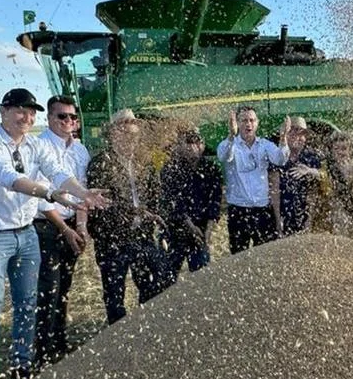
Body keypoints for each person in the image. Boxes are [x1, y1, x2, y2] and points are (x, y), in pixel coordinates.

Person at [0, 88, 109, 379]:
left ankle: (23, 365)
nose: (27, 117)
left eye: (31, 112)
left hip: (26, 233)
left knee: (28, 302)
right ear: (3, 111)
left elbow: (57, 172)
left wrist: (83, 194)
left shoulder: (34, 146)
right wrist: (51, 194)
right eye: (20, 110)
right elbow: (9, 177)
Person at [86, 109, 173, 324]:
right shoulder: (100, 164)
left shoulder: (146, 162)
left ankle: (146, 329)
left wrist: (156, 215)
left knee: (152, 286)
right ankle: (118, 341)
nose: (131, 140)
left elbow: (156, 196)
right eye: (125, 134)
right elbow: (103, 204)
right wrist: (136, 212)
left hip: (141, 235)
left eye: (134, 135)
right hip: (112, 240)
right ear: (114, 134)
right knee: (115, 296)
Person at [32, 95, 91, 368]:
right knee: (48, 288)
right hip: (47, 226)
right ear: (49, 118)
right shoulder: (39, 147)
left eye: (72, 117)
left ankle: (59, 341)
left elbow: (83, 191)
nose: (68, 121)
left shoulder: (80, 151)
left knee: (65, 287)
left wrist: (80, 226)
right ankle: (43, 351)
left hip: (70, 225)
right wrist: (66, 229)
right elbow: (42, 199)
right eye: (62, 116)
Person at [217, 107, 290, 254]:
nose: (248, 124)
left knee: (264, 256)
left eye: (252, 120)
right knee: (239, 257)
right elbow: (223, 156)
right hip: (239, 210)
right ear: (236, 123)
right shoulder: (230, 144)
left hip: (262, 209)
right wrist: (231, 135)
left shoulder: (264, 144)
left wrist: (283, 139)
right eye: (244, 120)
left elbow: (280, 159)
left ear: (257, 123)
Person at [159, 127, 223, 276]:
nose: (193, 147)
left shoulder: (211, 169)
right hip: (174, 232)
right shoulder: (170, 169)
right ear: (179, 145)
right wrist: (190, 226)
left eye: (198, 142)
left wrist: (208, 228)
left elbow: (215, 201)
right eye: (188, 142)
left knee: (201, 279)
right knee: (166, 279)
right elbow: (173, 202)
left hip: (201, 232)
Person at [270, 117, 322, 237]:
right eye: (292, 132)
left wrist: (309, 171)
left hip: (305, 214)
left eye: (301, 133)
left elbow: (316, 189)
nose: (296, 137)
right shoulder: (277, 156)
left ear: (306, 138)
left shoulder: (312, 157)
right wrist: (278, 220)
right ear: (285, 136)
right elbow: (274, 190)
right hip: (284, 213)